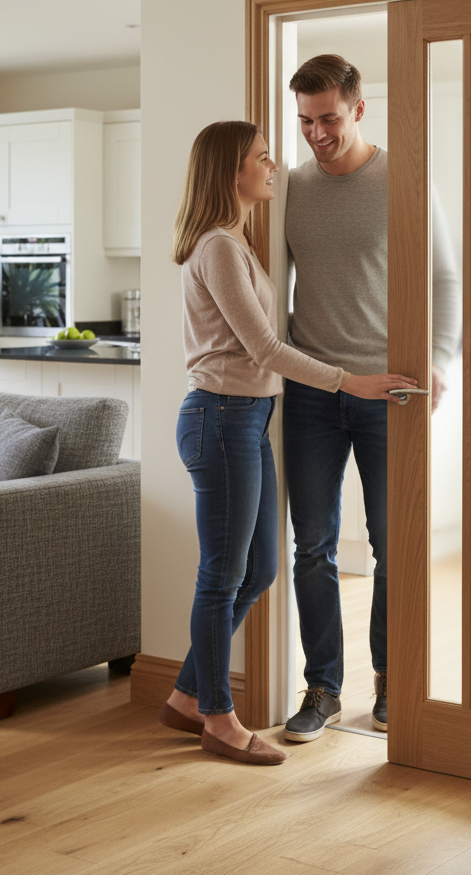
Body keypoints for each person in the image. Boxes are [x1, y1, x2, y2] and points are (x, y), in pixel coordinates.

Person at [160, 120, 419, 766]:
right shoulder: (219, 247)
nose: (274, 166)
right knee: (221, 577)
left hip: (245, 420)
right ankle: (217, 717)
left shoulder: (237, 243)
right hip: (220, 420)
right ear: (232, 172)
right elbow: (265, 348)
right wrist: (348, 382)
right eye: (261, 158)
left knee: (259, 569)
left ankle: (189, 694)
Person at [283, 55, 461, 741]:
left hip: (390, 393)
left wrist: (438, 360)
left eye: (328, 118)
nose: (317, 133)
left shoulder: (404, 181)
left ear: (359, 109)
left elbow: (444, 279)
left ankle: (392, 682)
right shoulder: (293, 188)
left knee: (392, 543)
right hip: (311, 395)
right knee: (313, 547)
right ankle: (322, 688)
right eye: (304, 121)